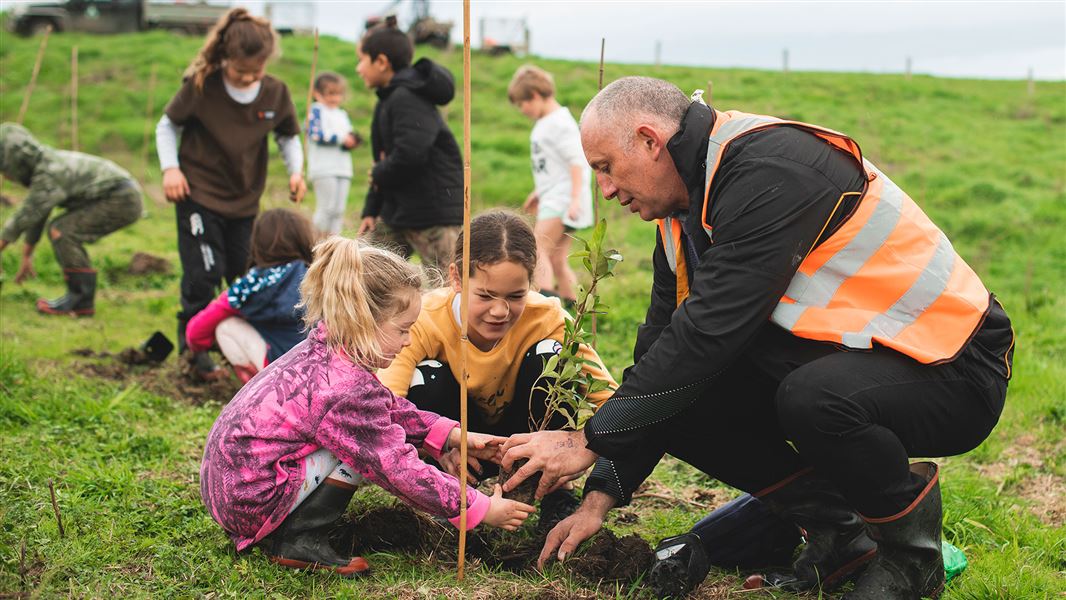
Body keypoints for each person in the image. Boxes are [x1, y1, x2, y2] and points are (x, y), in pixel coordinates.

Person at [501, 77, 1014, 600]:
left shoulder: (768, 171)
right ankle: (840, 535)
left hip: (955, 366)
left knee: (813, 399)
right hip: (863, 357)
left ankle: (910, 560)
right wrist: (600, 495)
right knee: (677, 398)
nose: (606, 191)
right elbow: (663, 354)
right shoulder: (685, 213)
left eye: (606, 167)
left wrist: (588, 438)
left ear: (651, 140)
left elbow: (708, 333)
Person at [200, 236, 535, 577]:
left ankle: (295, 528)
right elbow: (396, 467)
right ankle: (300, 540)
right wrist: (478, 507)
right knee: (364, 454)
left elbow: (384, 405)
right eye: (403, 329)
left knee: (359, 441)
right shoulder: (344, 389)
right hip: (251, 498)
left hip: (236, 488)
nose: (408, 341)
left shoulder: (329, 350)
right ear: (363, 319)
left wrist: (452, 434)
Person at [377, 210, 617, 531]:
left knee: (555, 358)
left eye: (515, 296)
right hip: (459, 447)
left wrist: (574, 445)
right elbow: (383, 407)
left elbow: (612, 402)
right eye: (485, 295)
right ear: (456, 278)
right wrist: (435, 444)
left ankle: (555, 493)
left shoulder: (547, 317)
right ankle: (448, 492)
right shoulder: (425, 320)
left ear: (531, 283)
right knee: (426, 375)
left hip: (525, 444)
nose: (500, 311)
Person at [155, 7, 306, 381]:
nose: (248, 77)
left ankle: (243, 348)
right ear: (225, 59)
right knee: (203, 273)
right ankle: (193, 352)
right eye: (240, 71)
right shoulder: (202, 85)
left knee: (245, 274)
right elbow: (167, 125)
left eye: (256, 70)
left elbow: (287, 136)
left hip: (244, 201)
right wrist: (170, 168)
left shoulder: (274, 91)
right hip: (198, 193)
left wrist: (296, 172)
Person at [0, 123, 142, 317]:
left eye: (5, 170)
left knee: (63, 231)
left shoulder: (49, 173)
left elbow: (26, 213)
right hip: (119, 194)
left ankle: (80, 302)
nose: (6, 177)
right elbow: (39, 212)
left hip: (121, 198)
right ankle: (79, 300)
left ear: (17, 161)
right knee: (60, 228)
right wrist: (27, 255)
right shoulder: (46, 164)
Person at [354, 22, 463, 275]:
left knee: (448, 284)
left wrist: (378, 173)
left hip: (433, 214)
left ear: (381, 61)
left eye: (362, 60)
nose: (358, 69)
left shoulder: (406, 98)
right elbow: (382, 159)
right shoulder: (389, 98)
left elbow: (410, 154)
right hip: (398, 210)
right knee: (371, 277)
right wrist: (372, 208)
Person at [185, 209, 314, 384]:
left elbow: (195, 331)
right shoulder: (316, 276)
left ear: (258, 244)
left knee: (225, 326)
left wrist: (204, 346)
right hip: (321, 369)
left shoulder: (251, 284)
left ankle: (256, 388)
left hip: (281, 371)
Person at [508, 65, 594, 305]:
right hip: (554, 196)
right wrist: (539, 192)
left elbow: (577, 162)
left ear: (535, 95)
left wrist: (575, 199)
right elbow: (555, 166)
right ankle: (572, 309)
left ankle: (544, 306)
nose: (521, 110)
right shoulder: (546, 123)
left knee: (536, 249)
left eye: (522, 104)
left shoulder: (559, 123)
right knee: (556, 259)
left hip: (563, 200)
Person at [307, 71, 360, 235]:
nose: (335, 98)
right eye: (330, 94)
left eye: (338, 94)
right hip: (324, 168)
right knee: (326, 208)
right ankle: (315, 244)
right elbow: (315, 134)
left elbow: (348, 136)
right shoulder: (316, 110)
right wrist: (341, 139)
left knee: (338, 210)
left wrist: (353, 141)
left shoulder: (342, 114)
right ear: (317, 93)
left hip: (342, 167)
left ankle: (334, 247)